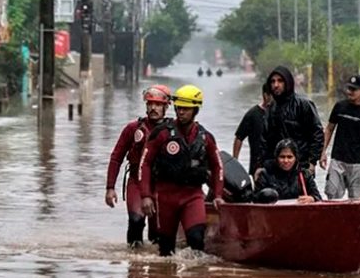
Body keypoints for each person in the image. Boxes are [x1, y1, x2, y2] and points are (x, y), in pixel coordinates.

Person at [139, 84, 224, 257]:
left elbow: (217, 166)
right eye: (179, 108)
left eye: (186, 109)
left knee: (196, 239)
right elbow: (145, 164)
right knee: (166, 250)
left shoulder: (205, 137)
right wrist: (146, 195)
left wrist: (218, 195)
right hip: (165, 196)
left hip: (192, 195)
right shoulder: (161, 134)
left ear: (195, 110)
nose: (181, 112)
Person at [105, 85, 171, 248]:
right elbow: (116, 157)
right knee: (136, 221)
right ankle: (134, 265)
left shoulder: (173, 131)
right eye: (150, 104)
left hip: (162, 184)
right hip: (137, 181)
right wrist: (110, 187)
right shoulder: (132, 129)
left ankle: (157, 270)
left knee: (158, 232)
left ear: (166, 107)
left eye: (158, 105)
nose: (153, 108)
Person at [319, 74, 360, 199]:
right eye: (348, 88)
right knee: (331, 193)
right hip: (338, 160)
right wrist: (323, 151)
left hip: (358, 163)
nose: (349, 92)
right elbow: (329, 129)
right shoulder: (340, 107)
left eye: (353, 89)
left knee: (356, 200)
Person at [260, 66, 324, 174]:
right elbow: (264, 140)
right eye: (273, 81)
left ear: (287, 82)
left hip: (301, 165)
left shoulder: (303, 105)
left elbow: (317, 134)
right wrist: (260, 165)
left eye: (280, 81)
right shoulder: (271, 109)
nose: (276, 85)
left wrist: (312, 162)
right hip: (275, 167)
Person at [254, 139, 322, 204]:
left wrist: (312, 199)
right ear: (276, 158)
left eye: (290, 157)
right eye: (282, 157)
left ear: (296, 158)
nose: (286, 161)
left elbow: (318, 198)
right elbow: (255, 199)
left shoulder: (304, 175)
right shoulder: (265, 174)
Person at [233, 81, 272, 176]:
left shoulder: (280, 113)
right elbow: (239, 137)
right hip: (257, 165)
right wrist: (235, 161)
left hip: (276, 165)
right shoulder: (252, 114)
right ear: (266, 95)